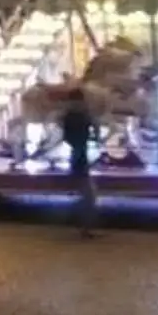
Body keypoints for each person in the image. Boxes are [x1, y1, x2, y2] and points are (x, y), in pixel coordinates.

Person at [59, 91, 99, 237]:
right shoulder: (79, 116)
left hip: (78, 156)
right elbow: (91, 131)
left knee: (88, 194)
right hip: (80, 157)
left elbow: (67, 138)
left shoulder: (72, 116)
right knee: (89, 195)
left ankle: (85, 227)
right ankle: (85, 228)